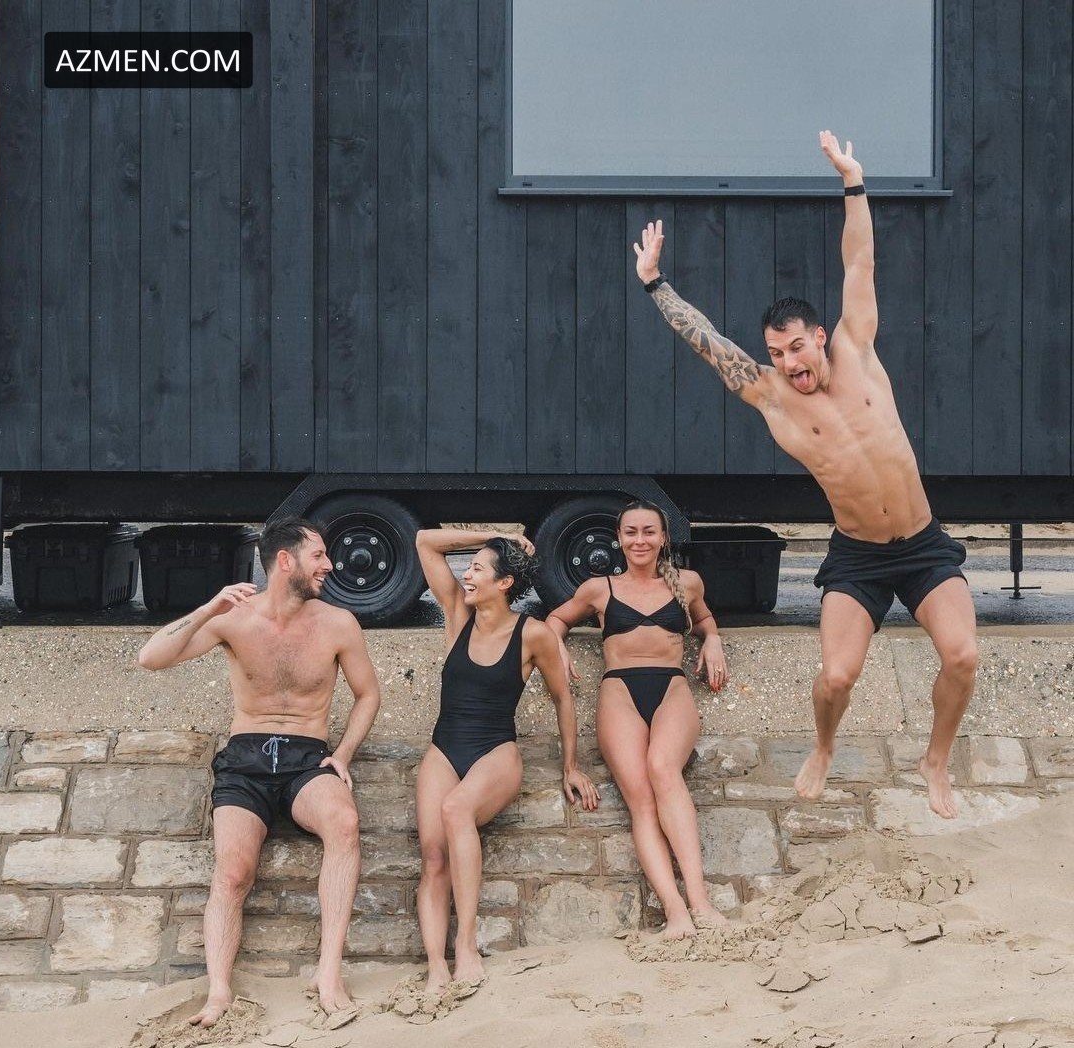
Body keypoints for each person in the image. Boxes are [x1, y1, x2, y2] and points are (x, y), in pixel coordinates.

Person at [633, 130, 977, 819]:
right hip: (857, 556)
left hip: (922, 544)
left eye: (796, 347)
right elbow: (708, 343)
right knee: (836, 678)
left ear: (818, 337)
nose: (789, 363)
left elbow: (859, 259)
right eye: (777, 353)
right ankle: (823, 746)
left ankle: (935, 760)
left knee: (963, 657)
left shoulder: (857, 348)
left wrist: (853, 180)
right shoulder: (771, 397)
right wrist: (655, 283)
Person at [138, 518, 381, 1026]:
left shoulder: (338, 623)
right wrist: (210, 607)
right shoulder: (234, 617)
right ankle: (219, 992)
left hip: (307, 759)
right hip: (246, 759)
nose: (330, 564)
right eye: (319, 555)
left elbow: (367, 694)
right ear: (286, 561)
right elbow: (150, 658)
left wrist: (343, 753)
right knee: (233, 871)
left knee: (344, 823)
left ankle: (328, 973)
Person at [414, 528, 600, 993]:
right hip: (444, 748)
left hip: (496, 751)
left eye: (478, 568)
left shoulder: (532, 634)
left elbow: (562, 697)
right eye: (469, 566)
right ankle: (436, 964)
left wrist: (570, 766)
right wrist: (497, 535)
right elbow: (423, 542)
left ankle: (467, 946)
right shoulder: (457, 613)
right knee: (433, 857)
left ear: (504, 583)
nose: (467, 574)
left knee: (456, 809)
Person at [546, 500, 729, 939]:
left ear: (663, 537)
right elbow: (556, 618)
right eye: (631, 532)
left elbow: (704, 618)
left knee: (663, 768)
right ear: (619, 538)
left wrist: (713, 639)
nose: (640, 540)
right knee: (642, 801)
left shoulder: (687, 582)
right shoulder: (599, 587)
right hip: (619, 692)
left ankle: (700, 902)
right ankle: (675, 912)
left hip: (671, 687)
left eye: (649, 531)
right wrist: (557, 646)